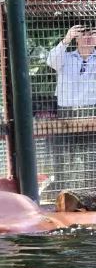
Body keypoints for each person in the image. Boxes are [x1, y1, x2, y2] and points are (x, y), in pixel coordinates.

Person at [44, 24, 96, 194]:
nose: (88, 37)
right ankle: (63, 191)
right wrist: (66, 39)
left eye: (93, 34)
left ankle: (91, 192)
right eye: (84, 33)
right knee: (64, 155)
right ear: (77, 38)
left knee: (91, 155)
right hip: (66, 112)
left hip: (91, 111)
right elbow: (51, 62)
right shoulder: (65, 57)